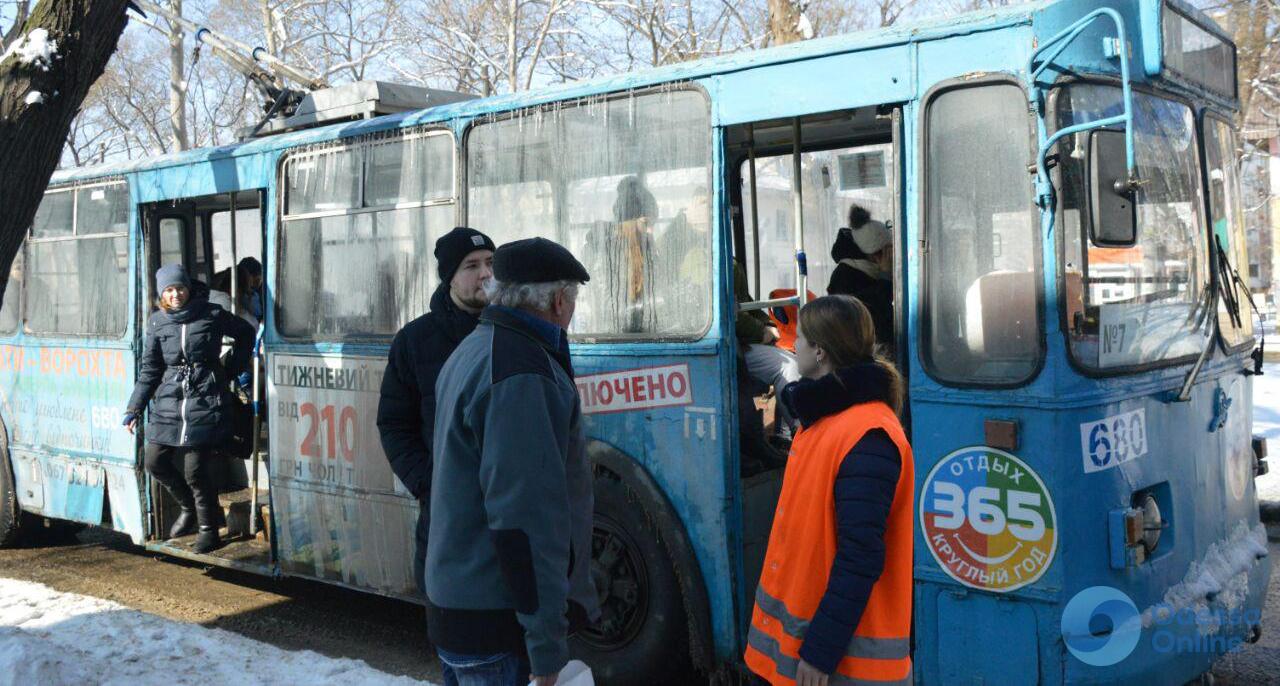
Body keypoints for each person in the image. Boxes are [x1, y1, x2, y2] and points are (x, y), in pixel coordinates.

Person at [427, 237, 599, 686]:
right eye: (573, 299)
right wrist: (546, 650)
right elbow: (526, 523)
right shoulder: (521, 372)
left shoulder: (477, 348)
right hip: (498, 625)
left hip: (465, 607)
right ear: (559, 302)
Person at [744, 295, 914, 686]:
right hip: (799, 657)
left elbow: (860, 558)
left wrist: (820, 653)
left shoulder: (868, 436)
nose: (793, 346)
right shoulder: (825, 419)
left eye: (799, 338)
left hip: (844, 668)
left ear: (819, 352)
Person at [376, 226, 496, 596]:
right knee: (452, 627)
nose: (486, 274)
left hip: (508, 511)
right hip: (446, 517)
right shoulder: (415, 341)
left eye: (491, 263)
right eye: (471, 266)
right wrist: (430, 484)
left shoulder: (515, 333)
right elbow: (395, 424)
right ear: (449, 279)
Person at [122, 264, 256, 554]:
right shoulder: (157, 323)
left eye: (180, 288)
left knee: (195, 469)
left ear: (188, 288)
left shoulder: (211, 314)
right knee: (153, 461)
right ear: (162, 295)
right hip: (169, 402)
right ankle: (188, 508)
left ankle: (209, 529)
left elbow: (246, 333)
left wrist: (229, 369)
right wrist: (134, 408)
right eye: (169, 290)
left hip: (206, 401)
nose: (175, 295)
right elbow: (150, 370)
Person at [735, 260, 799, 437]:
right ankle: (801, 431)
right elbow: (732, 314)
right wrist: (760, 331)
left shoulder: (725, 259)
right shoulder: (716, 260)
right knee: (788, 366)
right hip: (732, 344)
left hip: (740, 341)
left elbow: (746, 303)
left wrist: (768, 324)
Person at [827, 205, 894, 350]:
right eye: (888, 251)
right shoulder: (845, 277)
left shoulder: (869, 270)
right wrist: (885, 278)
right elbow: (872, 316)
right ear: (875, 255)